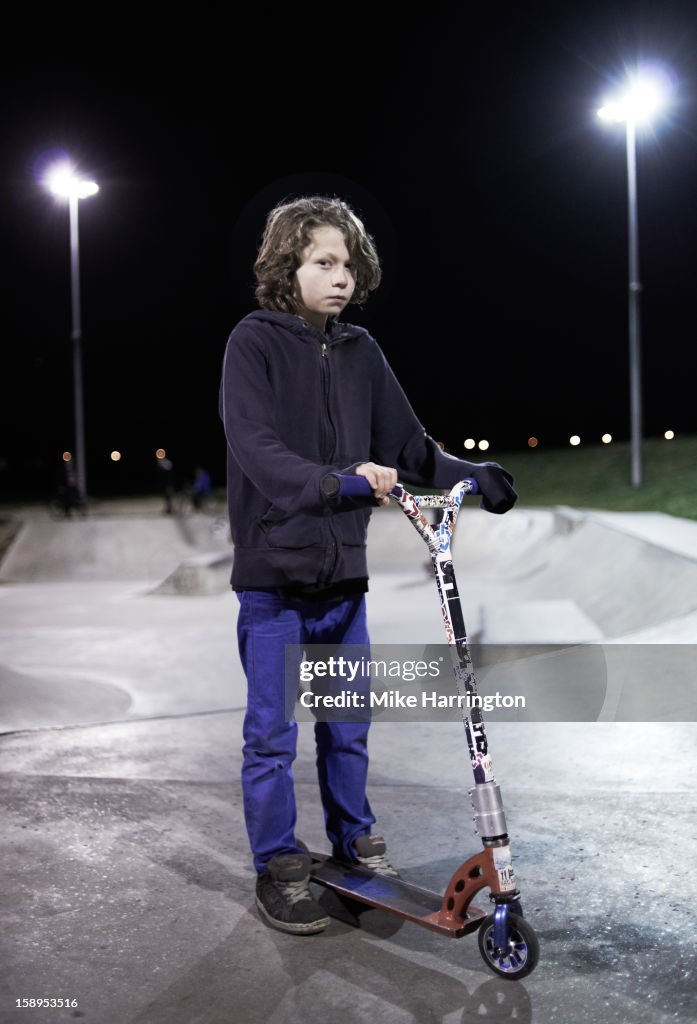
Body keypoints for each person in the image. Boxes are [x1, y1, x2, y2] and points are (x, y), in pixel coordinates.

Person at [219, 195, 517, 936]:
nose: (341, 277)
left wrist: (467, 472)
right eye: (324, 261)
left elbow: (410, 447)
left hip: (341, 581)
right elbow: (258, 451)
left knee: (348, 724)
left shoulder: (360, 352)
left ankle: (353, 844)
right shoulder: (251, 344)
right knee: (271, 733)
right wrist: (335, 483)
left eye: (348, 264)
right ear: (287, 265)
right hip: (275, 582)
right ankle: (280, 865)